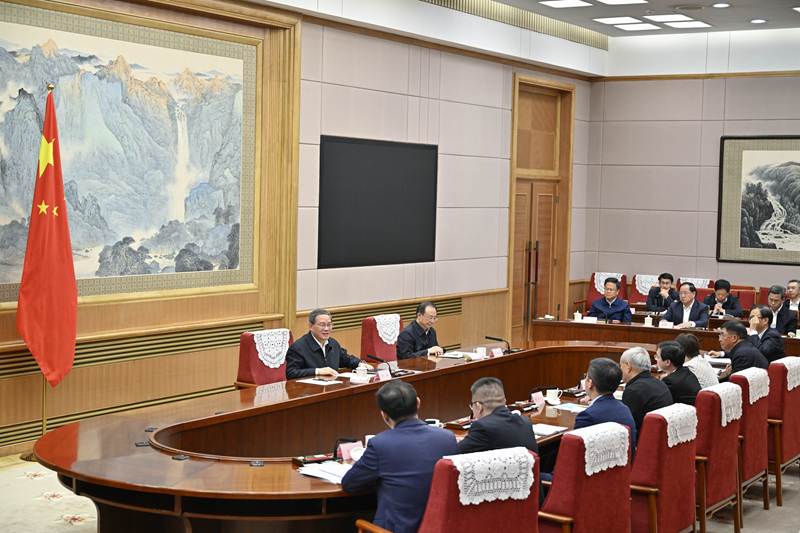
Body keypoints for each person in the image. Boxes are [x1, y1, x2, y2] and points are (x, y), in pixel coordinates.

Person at [341, 381, 459, 533]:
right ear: (418, 403)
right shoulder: (448, 438)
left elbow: (349, 484)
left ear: (384, 415)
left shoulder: (380, 444)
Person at [458, 377, 544, 505]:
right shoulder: (525, 422)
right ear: (504, 401)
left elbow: (455, 453)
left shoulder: (482, 427)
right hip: (532, 504)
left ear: (479, 406)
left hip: (506, 507)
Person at [285, 309, 372, 379]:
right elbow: (291, 373)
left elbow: (345, 359)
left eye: (329, 325)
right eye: (322, 325)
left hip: (331, 388)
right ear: (311, 326)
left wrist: (360, 364)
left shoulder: (333, 343)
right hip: (309, 391)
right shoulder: (298, 347)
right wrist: (318, 371)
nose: (326, 329)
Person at [574, 358, 637, 447]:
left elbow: (574, 449)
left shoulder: (587, 416)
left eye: (586, 377)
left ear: (590, 383)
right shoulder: (625, 409)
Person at [619, 346, 673, 440]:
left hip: (644, 443)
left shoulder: (633, 391)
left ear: (628, 366)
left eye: (621, 366)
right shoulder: (659, 383)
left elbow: (626, 427)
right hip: (662, 439)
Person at [656, 341, 701, 405]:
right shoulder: (687, 371)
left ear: (668, 362)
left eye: (657, 357)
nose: (656, 359)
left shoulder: (669, 381)